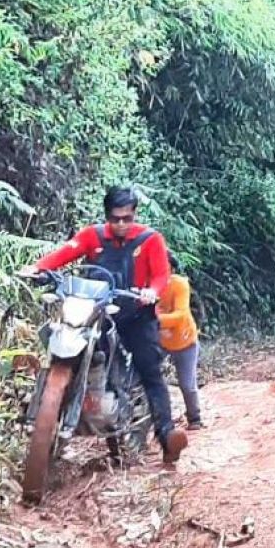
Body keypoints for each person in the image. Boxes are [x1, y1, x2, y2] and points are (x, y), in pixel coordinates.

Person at [18, 185, 188, 464]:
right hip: (97, 313)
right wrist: (38, 268)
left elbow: (161, 276)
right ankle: (49, 413)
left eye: (127, 218)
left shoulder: (150, 239)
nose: (121, 224)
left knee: (150, 371)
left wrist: (151, 292)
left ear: (134, 215)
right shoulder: (92, 236)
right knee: (66, 343)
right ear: (107, 215)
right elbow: (63, 255)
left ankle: (167, 435)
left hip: (136, 315)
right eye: (115, 218)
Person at [158, 254, 202, 430]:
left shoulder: (179, 284)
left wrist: (154, 319)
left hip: (184, 341)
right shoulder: (146, 284)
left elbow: (180, 315)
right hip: (159, 340)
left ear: (172, 269)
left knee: (186, 383)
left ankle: (195, 417)